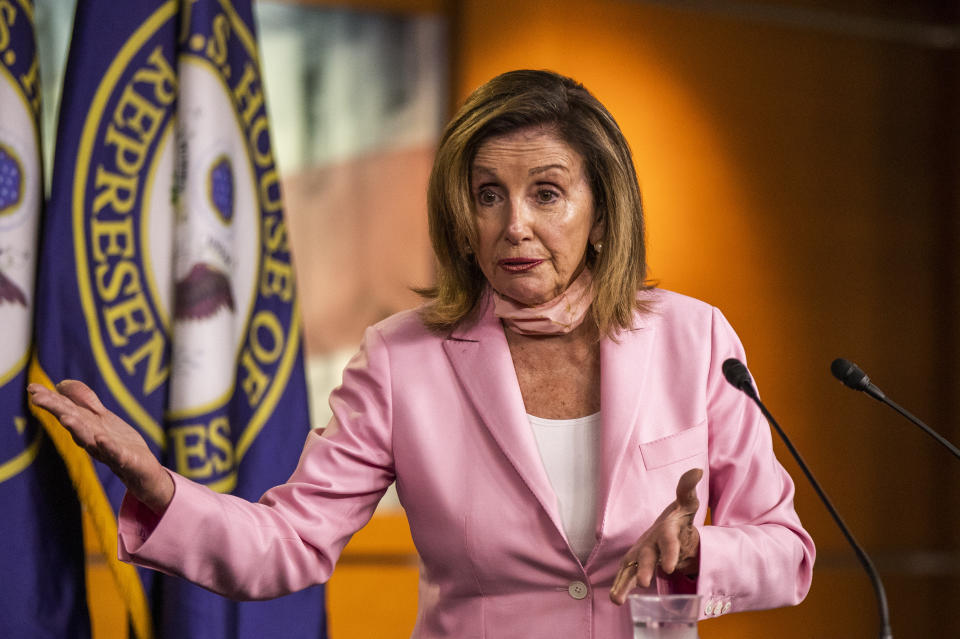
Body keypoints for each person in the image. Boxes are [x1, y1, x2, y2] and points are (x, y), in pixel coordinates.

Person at [29, 69, 814, 638]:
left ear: (602, 214)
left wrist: (698, 550)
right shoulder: (403, 359)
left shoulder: (696, 338)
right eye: (487, 194)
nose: (514, 225)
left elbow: (786, 555)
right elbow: (289, 546)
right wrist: (157, 484)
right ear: (461, 214)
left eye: (547, 192)